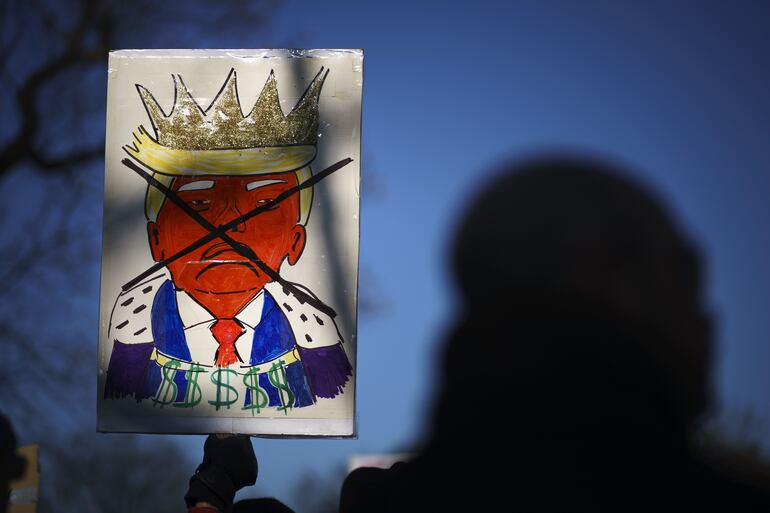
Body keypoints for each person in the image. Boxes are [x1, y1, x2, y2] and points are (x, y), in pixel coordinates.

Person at [188, 156, 770, 511]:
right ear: (608, 274)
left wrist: (214, 492)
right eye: (688, 274)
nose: (708, 318)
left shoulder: (383, 504)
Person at [102, 68, 352, 412]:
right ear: (156, 240)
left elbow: (333, 401)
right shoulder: (135, 325)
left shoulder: (311, 331)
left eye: (264, 204)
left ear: (296, 242)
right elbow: (122, 405)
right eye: (198, 203)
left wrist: (322, 354)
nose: (229, 222)